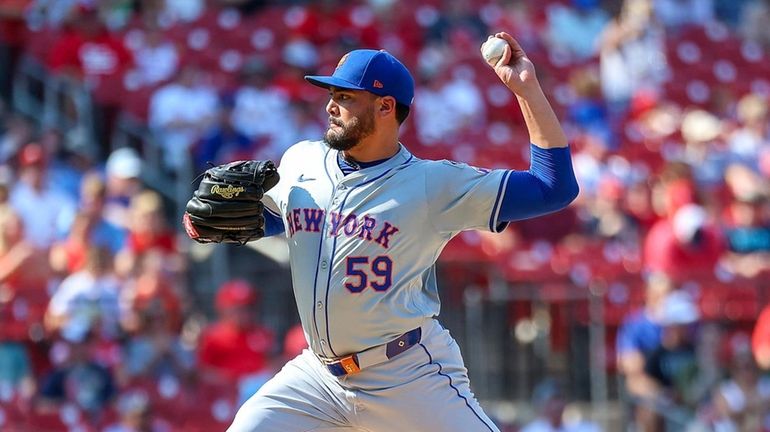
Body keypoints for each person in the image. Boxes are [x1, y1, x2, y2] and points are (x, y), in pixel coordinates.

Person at [226, 32, 578, 432]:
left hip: (406, 373)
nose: (330, 106)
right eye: (332, 95)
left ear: (385, 107)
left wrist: (526, 90)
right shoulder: (301, 159)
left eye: (345, 97)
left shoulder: (432, 184)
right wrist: (204, 224)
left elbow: (554, 187)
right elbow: (272, 220)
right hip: (318, 377)